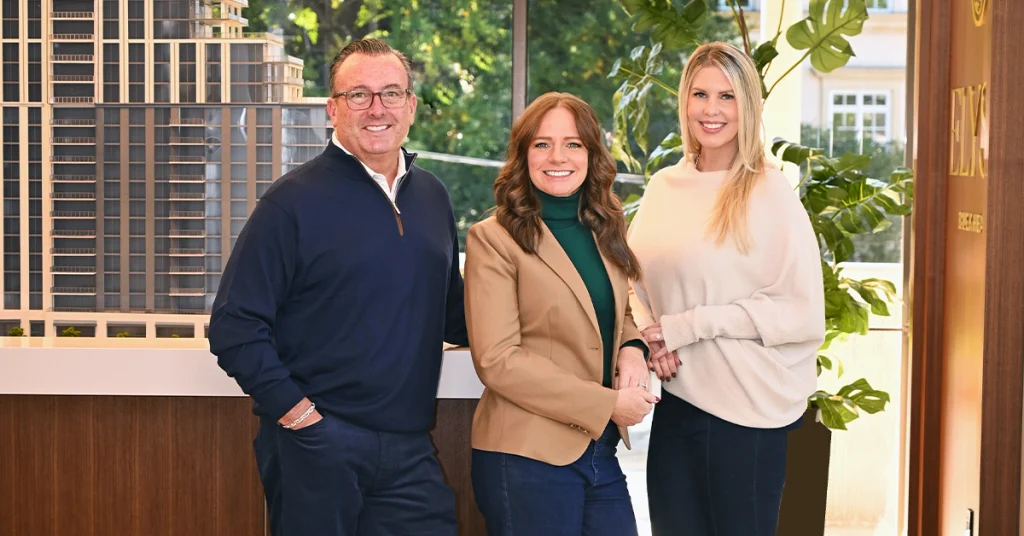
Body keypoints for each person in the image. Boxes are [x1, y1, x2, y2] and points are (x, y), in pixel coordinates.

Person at [208, 38, 468, 536]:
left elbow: (454, 314)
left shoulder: (432, 196)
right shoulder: (292, 201)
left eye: (391, 93)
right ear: (333, 109)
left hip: (410, 447)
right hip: (317, 444)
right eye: (359, 95)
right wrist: (304, 420)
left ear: (411, 106)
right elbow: (235, 326)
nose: (377, 108)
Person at [627, 42, 826, 536]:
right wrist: (653, 337)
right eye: (700, 94)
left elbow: (800, 310)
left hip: (748, 414)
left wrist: (685, 327)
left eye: (727, 96)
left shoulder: (768, 191)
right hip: (677, 404)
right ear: (685, 101)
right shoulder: (663, 187)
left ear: (748, 106)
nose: (711, 110)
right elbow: (629, 277)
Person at [463, 92, 658, 536]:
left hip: (597, 451)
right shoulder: (492, 240)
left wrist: (632, 346)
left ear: (591, 155)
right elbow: (498, 360)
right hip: (524, 456)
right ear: (523, 153)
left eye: (573, 144)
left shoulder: (604, 226)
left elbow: (618, 309)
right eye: (542, 144)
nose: (558, 157)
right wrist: (609, 403)